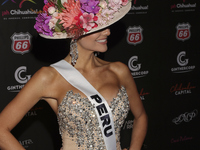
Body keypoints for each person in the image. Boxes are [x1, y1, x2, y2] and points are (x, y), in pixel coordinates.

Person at [0, 0, 148, 149]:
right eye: (97, 26)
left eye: (107, 25)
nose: (108, 32)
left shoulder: (119, 70)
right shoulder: (49, 77)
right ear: (73, 32)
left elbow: (140, 116)